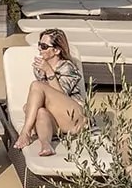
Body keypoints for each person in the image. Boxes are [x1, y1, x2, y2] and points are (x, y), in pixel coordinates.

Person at [12, 28, 87, 157]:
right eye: (39, 45)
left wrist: (49, 72)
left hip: (74, 116)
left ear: (56, 50)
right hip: (59, 121)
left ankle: (25, 132)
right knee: (40, 112)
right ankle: (46, 145)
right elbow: (43, 99)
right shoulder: (39, 68)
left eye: (44, 46)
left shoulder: (68, 68)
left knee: (36, 85)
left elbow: (62, 97)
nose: (39, 49)